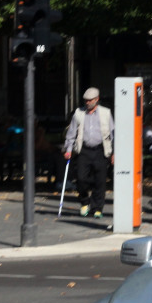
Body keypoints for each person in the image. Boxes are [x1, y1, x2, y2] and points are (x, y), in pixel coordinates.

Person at [63, 87, 114, 219]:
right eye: (85, 100)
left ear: (97, 100)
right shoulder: (78, 113)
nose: (87, 103)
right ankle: (85, 202)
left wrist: (114, 153)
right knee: (81, 178)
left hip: (100, 150)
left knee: (100, 181)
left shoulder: (106, 113)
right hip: (84, 150)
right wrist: (68, 149)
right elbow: (71, 133)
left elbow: (113, 134)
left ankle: (97, 208)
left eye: (90, 100)